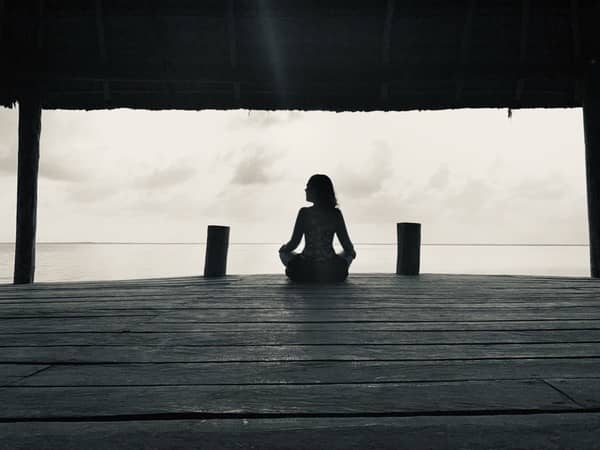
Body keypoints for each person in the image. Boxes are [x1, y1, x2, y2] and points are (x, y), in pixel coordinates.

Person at [279, 174, 356, 282]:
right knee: (348, 254)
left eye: (308, 187)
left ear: (317, 191)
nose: (305, 190)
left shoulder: (304, 213)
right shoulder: (335, 214)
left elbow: (293, 243)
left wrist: (284, 248)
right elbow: (347, 246)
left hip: (305, 270)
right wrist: (351, 252)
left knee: (283, 254)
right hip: (331, 271)